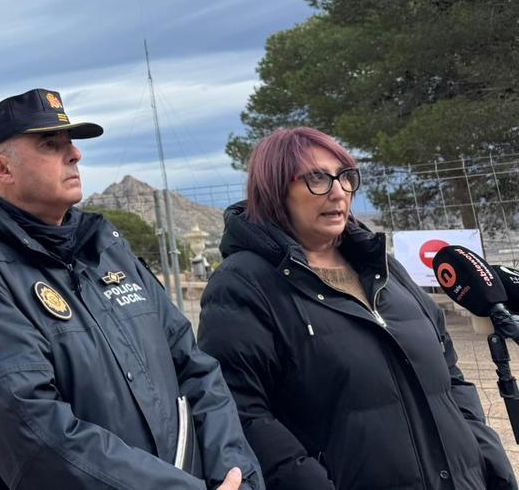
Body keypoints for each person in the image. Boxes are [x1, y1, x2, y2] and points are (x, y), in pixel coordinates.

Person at [0, 88, 263, 489]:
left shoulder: (111, 252)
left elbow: (196, 370)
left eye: (71, 143)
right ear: (2, 169)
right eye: (49, 144)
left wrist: (237, 476)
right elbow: (34, 434)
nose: (75, 154)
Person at [198, 127, 517, 490]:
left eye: (346, 177)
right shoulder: (242, 284)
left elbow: (450, 377)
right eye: (317, 178)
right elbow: (243, 412)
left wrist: (485, 456)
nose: (338, 192)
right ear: (274, 190)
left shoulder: (387, 269)